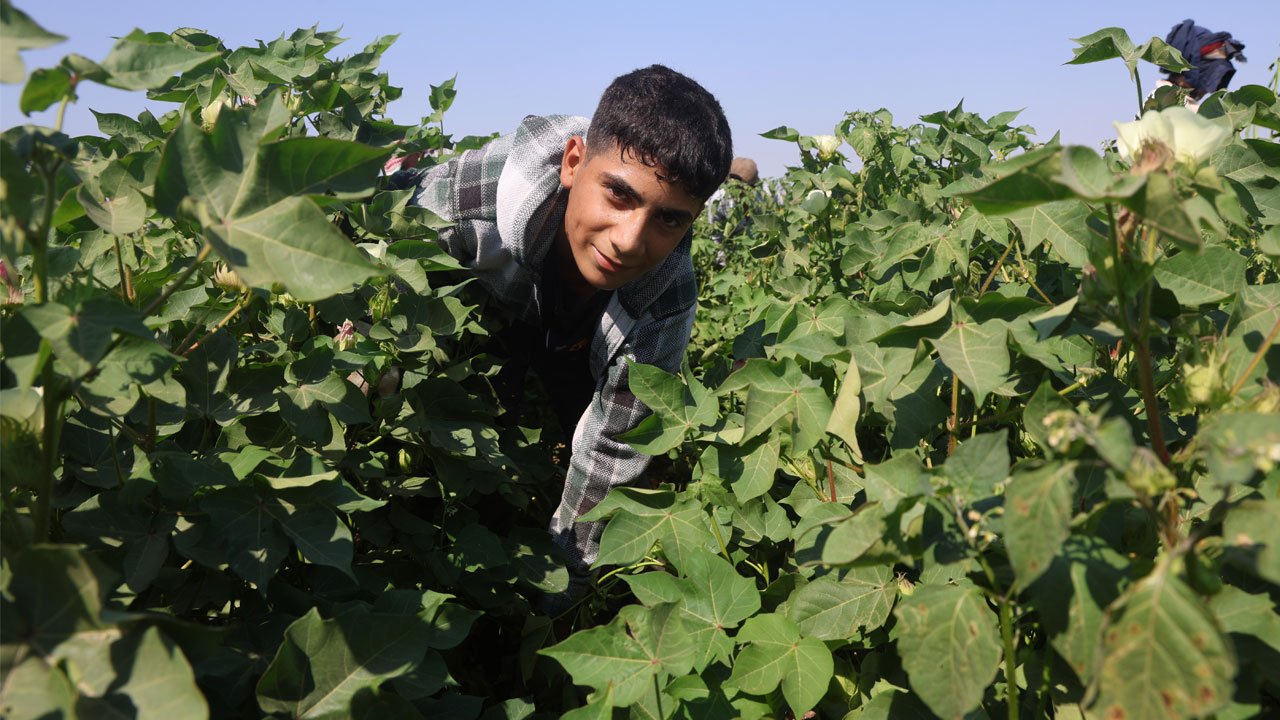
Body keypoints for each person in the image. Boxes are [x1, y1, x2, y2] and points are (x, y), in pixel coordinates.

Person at [390, 65, 733, 613]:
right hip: (485, 307)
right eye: (619, 195)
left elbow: (613, 447)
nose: (629, 240)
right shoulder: (471, 198)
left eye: (669, 220)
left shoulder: (666, 298)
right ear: (573, 163)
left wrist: (561, 599)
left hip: (578, 338)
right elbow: (376, 250)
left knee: (588, 436)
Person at [1159, 19, 1246, 112]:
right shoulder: (1171, 105)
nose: (1218, 83)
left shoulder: (1164, 100)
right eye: (1212, 78)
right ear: (1191, 72)